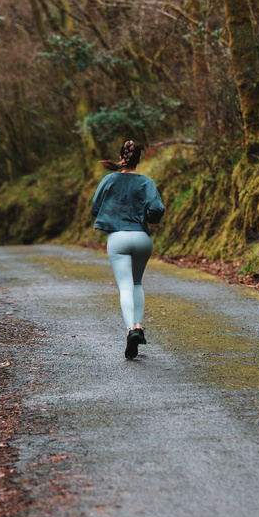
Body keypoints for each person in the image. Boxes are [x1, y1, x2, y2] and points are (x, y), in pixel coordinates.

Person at [91, 139, 165, 359]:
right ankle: (140, 326)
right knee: (137, 283)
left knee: (124, 286)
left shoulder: (108, 180)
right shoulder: (147, 182)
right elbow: (156, 209)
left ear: (121, 157)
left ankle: (131, 330)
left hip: (118, 238)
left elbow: (95, 208)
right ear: (139, 159)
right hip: (142, 237)